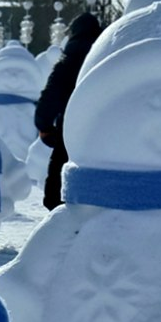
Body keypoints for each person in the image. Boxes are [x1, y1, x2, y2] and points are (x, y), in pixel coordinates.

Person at [34, 11, 102, 210]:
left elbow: (51, 96)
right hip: (104, 132)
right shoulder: (107, 57)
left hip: (69, 131)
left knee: (57, 193)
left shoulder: (68, 61)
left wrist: (44, 125)